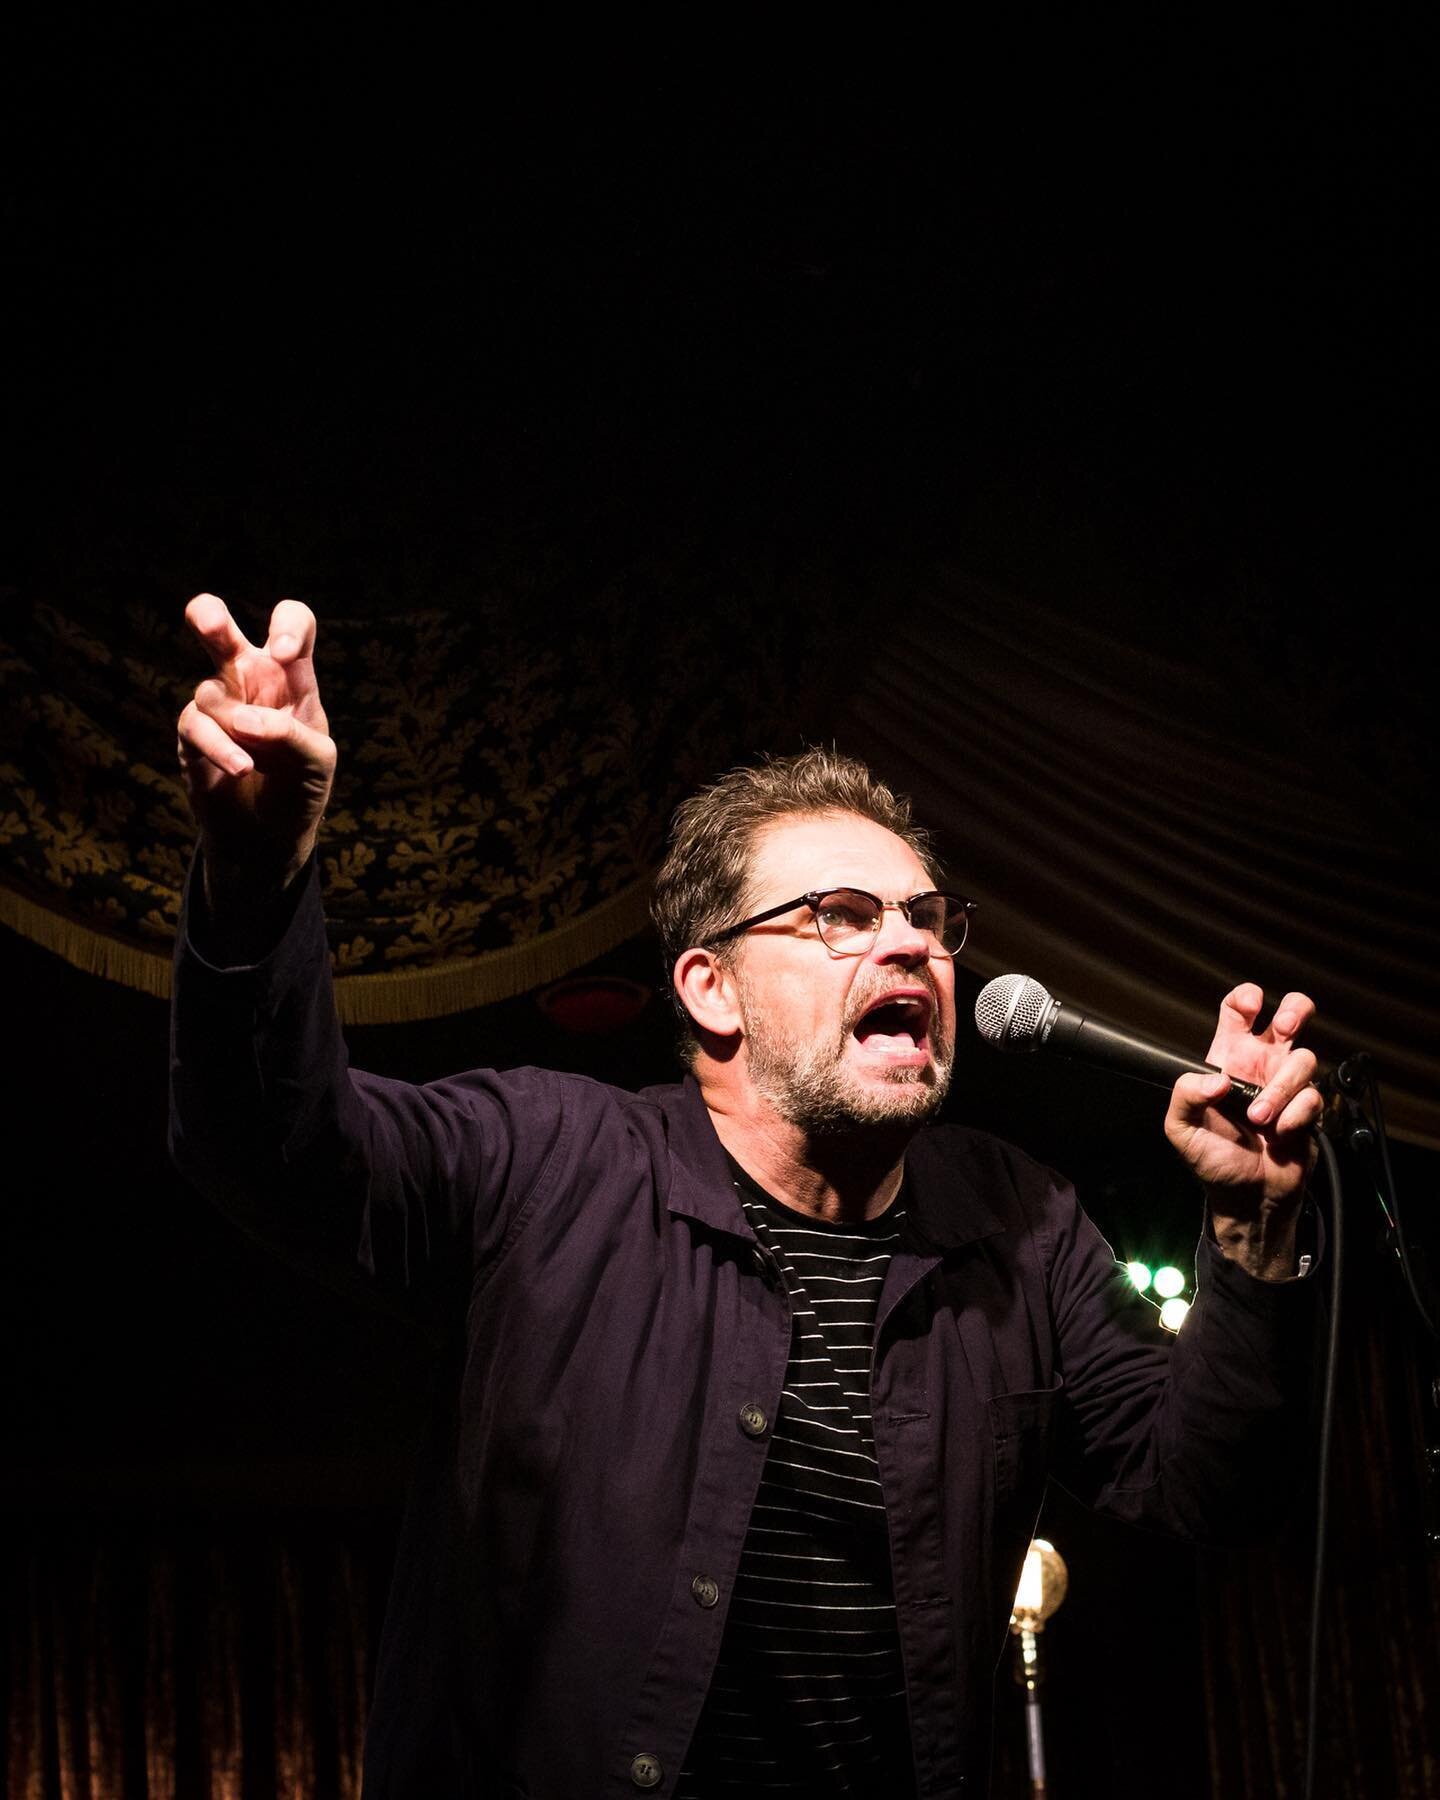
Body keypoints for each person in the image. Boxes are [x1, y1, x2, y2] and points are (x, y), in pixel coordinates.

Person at [171, 593, 1323, 1798]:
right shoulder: (550, 1160)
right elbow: (274, 1150)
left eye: (929, 920)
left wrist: (1250, 1239)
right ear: (710, 988)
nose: (911, 948)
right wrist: (256, 875)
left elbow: (1205, 1493)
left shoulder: (1021, 1225)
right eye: (841, 915)